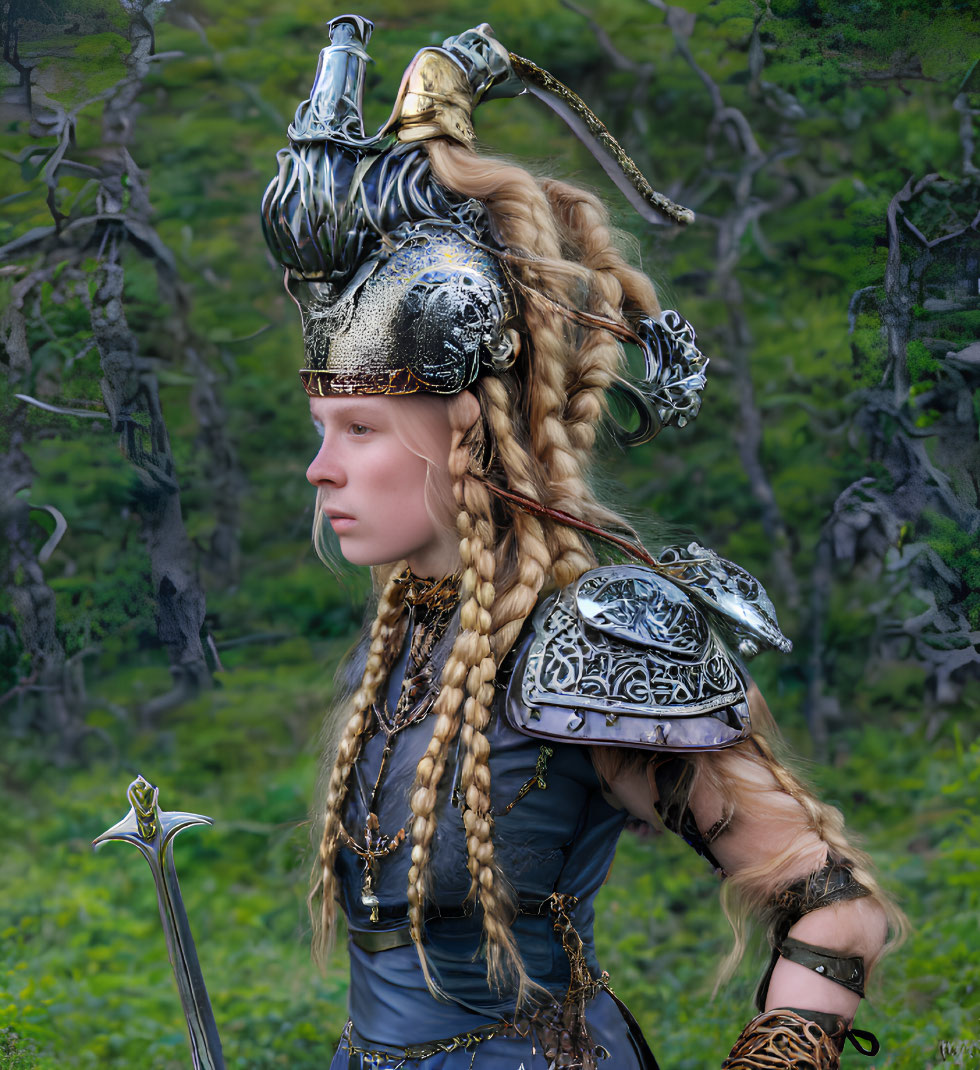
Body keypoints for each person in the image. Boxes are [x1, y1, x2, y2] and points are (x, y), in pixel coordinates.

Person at [261, 16, 904, 1069]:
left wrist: (779, 1051)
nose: (319, 468)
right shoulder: (408, 646)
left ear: (467, 432)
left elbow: (833, 910)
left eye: (363, 430)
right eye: (321, 430)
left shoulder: (592, 643)